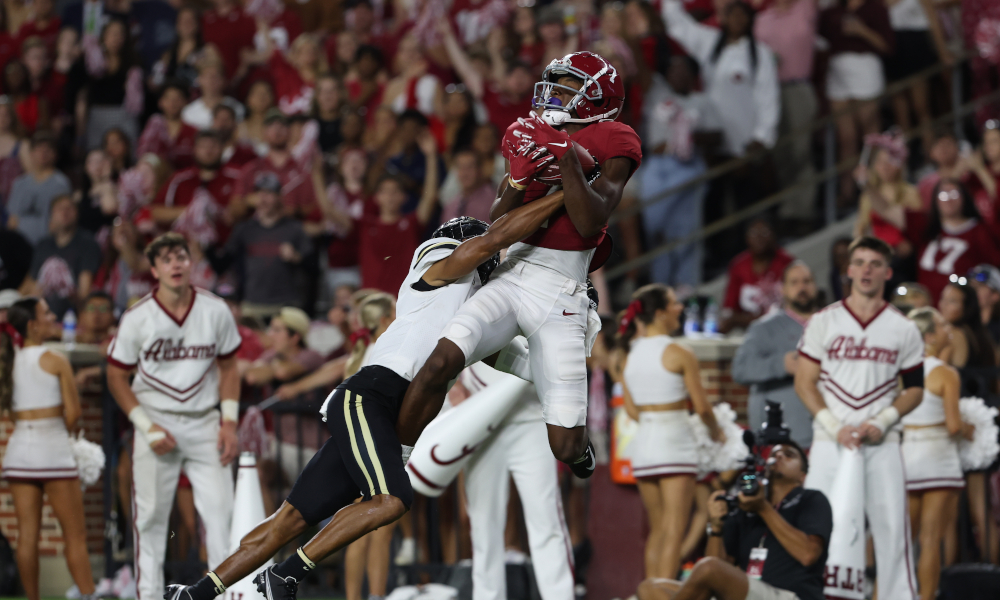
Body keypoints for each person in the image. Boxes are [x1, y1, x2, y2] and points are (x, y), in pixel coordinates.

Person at [163, 193, 568, 600]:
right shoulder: (436, 271)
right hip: (371, 397)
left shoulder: (468, 322)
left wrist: (571, 342)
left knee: (287, 521)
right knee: (391, 500)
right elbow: (490, 243)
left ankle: (195, 594)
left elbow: (530, 366)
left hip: (381, 415)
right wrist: (562, 198)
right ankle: (285, 575)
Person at [397, 51, 642, 476]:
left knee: (565, 447)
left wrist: (565, 154)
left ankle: (574, 435)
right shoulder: (543, 129)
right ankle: (394, 461)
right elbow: (499, 215)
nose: (555, 93)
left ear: (598, 96)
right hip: (514, 270)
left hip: (562, 291)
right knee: (440, 361)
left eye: (568, 86)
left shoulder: (616, 137)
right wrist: (519, 177)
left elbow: (589, 220)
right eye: (556, 83)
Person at [105, 233, 242, 600]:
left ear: (191, 261)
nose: (175, 264)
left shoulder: (215, 310)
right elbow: (115, 374)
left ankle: (223, 596)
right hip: (156, 420)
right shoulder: (137, 317)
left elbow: (230, 367)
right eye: (166, 259)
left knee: (221, 517)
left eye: (181, 256)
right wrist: (145, 427)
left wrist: (229, 422)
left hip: (204, 421)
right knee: (149, 520)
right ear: (154, 270)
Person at [795, 235, 924, 599]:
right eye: (861, 263)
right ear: (848, 270)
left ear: (888, 272)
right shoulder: (823, 321)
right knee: (817, 530)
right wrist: (835, 428)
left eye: (875, 264)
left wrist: (881, 422)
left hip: (882, 443)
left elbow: (915, 389)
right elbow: (804, 383)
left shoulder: (904, 328)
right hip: (828, 441)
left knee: (892, 533)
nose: (867, 270)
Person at [637, 442, 832, 600]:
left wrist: (763, 509)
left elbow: (808, 554)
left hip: (790, 595)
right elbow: (718, 564)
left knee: (708, 569)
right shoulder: (745, 506)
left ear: (802, 475)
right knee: (651, 588)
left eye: (788, 455)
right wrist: (716, 525)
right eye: (773, 455)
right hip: (745, 592)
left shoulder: (811, 499)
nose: (778, 457)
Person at [620, 284, 723, 579]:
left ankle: (650, 593)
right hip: (674, 442)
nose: (680, 308)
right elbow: (703, 408)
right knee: (675, 530)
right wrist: (717, 434)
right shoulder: (680, 352)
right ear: (662, 313)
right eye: (675, 304)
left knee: (658, 529)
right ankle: (664, 594)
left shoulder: (629, 356)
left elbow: (631, 411)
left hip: (643, 445)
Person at [0, 297, 97, 600]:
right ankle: (88, 595)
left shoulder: (8, 359)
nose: (53, 316)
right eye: (47, 313)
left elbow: (13, 415)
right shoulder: (55, 359)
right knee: (75, 536)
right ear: (32, 325)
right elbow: (73, 413)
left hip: (18, 454)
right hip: (52, 451)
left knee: (26, 536)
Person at [454, 362, 576, 600]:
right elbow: (438, 330)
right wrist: (452, 383)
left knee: (547, 522)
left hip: (531, 415)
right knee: (483, 526)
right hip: (480, 416)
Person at [902, 307, 972, 600]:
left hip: (906, 457)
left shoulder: (901, 371)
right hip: (937, 459)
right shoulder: (946, 373)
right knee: (931, 540)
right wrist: (974, 429)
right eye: (942, 325)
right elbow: (954, 426)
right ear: (929, 335)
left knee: (905, 540)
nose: (948, 330)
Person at [635, 55, 721, 287]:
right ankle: (660, 286)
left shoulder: (701, 101)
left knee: (686, 232)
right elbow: (641, 68)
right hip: (657, 167)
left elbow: (717, 134)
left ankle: (686, 285)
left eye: (684, 70)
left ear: (693, 76)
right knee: (657, 232)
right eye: (673, 70)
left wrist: (688, 136)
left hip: (687, 166)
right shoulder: (658, 95)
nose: (679, 74)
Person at [662, 0, 780, 161]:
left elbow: (768, 97)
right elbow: (677, 24)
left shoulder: (760, 53)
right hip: (713, 139)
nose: (737, 20)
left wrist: (761, 137)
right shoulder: (709, 42)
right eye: (732, 15)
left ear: (751, 19)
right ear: (723, 18)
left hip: (746, 139)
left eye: (742, 15)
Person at [732, 261, 819, 447]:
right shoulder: (763, 328)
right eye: (794, 282)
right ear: (783, 289)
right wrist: (782, 364)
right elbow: (740, 370)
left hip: (826, 431)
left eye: (807, 281)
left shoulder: (829, 324)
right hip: (784, 435)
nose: (801, 287)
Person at [871, 178, 1000, 303]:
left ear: (965, 197)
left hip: (960, 311)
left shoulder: (980, 232)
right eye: (943, 195)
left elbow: (993, 272)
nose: (948, 199)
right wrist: (866, 184)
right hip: (922, 307)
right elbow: (887, 210)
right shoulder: (925, 225)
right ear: (935, 200)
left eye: (954, 194)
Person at [754, 0, 818, 226]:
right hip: (770, 92)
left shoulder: (805, 7)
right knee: (782, 153)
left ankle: (804, 210)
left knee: (801, 149)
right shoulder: (762, 20)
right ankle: (789, 209)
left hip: (798, 87)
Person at [223, 172, 313, 319]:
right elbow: (226, 263)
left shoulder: (294, 228)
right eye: (260, 193)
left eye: (269, 194)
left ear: (279, 197)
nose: (263, 199)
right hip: (252, 303)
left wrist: (296, 257)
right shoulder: (244, 229)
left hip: (286, 304)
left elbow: (313, 266)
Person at [23, 194, 101, 319]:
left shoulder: (87, 244)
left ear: (77, 213)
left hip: (72, 315)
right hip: (42, 315)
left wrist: (71, 294)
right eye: (60, 208)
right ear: (51, 215)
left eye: (70, 208)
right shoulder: (43, 245)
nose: (65, 212)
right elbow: (31, 284)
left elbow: (85, 294)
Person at [721, 219, 795, 333]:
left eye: (764, 233)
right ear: (746, 238)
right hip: (748, 332)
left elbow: (796, 308)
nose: (759, 237)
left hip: (783, 330)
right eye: (754, 233)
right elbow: (729, 309)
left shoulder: (788, 263)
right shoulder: (738, 266)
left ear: (774, 236)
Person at [5, 130, 71, 245]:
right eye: (38, 149)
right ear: (31, 154)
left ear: (55, 155)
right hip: (18, 245)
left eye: (48, 150)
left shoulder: (61, 184)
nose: (43, 154)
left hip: (47, 245)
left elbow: (62, 221)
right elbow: (12, 220)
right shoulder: (19, 183)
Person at [968, 264, 1000, 348]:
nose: (973, 290)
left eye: (979, 287)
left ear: (995, 295)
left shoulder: (997, 331)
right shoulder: (962, 323)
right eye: (972, 286)